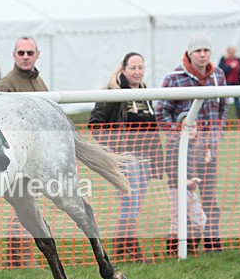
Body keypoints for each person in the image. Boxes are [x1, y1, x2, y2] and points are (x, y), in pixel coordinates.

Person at [156, 32, 227, 252]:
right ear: (189, 53)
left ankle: (212, 244)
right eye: (198, 51)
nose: (203, 55)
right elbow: (162, 112)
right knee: (183, 203)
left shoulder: (219, 76)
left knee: (209, 201)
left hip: (209, 151)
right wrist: (181, 133)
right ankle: (177, 247)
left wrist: (218, 132)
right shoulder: (174, 78)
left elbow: (223, 107)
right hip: (182, 153)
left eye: (206, 50)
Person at [89, 52, 164, 262]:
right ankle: (131, 249)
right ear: (123, 69)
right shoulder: (113, 92)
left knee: (136, 204)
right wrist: (115, 152)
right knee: (129, 203)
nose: (137, 72)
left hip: (144, 159)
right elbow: (95, 124)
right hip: (126, 159)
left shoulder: (145, 93)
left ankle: (123, 251)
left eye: (141, 67)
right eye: (133, 67)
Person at [0, 36, 49, 267]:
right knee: (22, 207)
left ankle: (21, 259)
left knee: (27, 207)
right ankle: (20, 259)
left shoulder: (40, 82)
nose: (25, 57)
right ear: (14, 55)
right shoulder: (6, 84)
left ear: (37, 54)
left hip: (34, 157)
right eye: (21, 53)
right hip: (15, 158)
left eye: (29, 53)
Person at [163, 112, 208, 256]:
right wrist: (184, 181)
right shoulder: (175, 144)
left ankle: (190, 250)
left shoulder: (195, 144)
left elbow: (195, 166)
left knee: (198, 220)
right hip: (176, 188)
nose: (191, 129)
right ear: (180, 128)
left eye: (194, 126)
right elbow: (169, 168)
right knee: (179, 221)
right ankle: (172, 253)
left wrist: (206, 159)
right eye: (187, 126)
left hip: (189, 189)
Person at [218, 46, 240, 119]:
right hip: (227, 84)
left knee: (237, 102)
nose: (233, 54)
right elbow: (221, 71)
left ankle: (239, 118)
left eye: (234, 52)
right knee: (224, 102)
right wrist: (230, 67)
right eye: (231, 52)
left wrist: (239, 69)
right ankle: (223, 117)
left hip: (236, 83)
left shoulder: (237, 59)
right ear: (228, 52)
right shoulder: (223, 60)